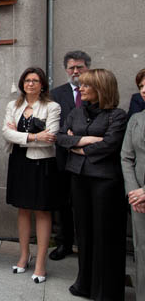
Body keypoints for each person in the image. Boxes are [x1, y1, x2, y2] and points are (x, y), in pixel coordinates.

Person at [57, 69, 127, 300]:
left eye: (87, 85)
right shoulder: (76, 112)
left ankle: (105, 290)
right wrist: (85, 141)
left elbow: (110, 145)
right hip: (79, 178)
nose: (81, 89)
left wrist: (78, 147)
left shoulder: (117, 116)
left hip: (104, 182)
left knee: (104, 234)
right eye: (82, 85)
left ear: (101, 88)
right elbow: (60, 137)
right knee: (84, 232)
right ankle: (84, 283)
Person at [2, 67, 61, 284]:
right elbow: (5, 133)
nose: (30, 84)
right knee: (23, 209)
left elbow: (50, 138)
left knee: (42, 211)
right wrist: (35, 136)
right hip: (19, 162)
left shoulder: (52, 107)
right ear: (22, 83)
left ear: (42, 84)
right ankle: (24, 256)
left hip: (41, 163)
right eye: (27, 80)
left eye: (35, 80)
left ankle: (40, 263)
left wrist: (19, 135)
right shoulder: (13, 105)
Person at [49, 50, 91, 261]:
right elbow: (53, 127)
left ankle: (87, 245)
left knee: (86, 205)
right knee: (63, 203)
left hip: (90, 159)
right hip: (63, 158)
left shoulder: (97, 91)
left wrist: (79, 139)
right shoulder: (56, 94)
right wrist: (69, 139)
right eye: (71, 68)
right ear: (66, 70)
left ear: (87, 68)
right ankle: (63, 243)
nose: (75, 71)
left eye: (79, 67)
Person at [121, 108, 145, 300]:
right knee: (142, 250)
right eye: (142, 91)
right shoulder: (136, 119)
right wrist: (133, 192)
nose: (144, 92)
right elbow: (126, 157)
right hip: (138, 200)